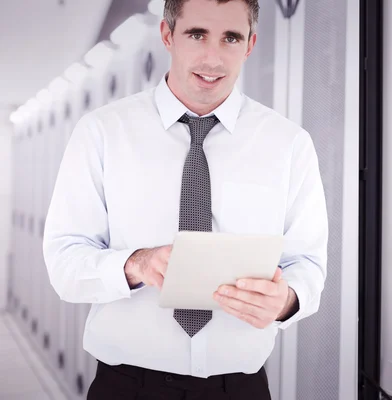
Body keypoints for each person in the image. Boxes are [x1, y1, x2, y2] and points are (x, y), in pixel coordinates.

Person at [42, 0, 328, 398]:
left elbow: (308, 264)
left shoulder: (288, 144)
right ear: (167, 35)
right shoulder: (102, 133)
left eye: (231, 37)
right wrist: (136, 264)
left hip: (240, 388)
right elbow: (64, 262)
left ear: (250, 44)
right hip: (128, 387)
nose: (213, 58)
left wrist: (286, 300)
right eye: (197, 34)